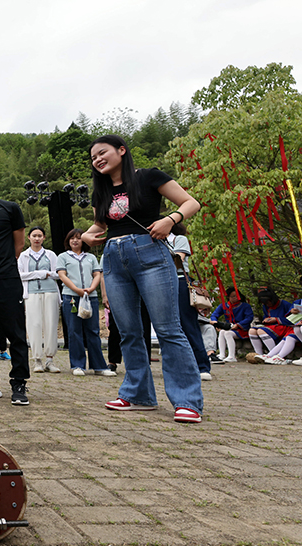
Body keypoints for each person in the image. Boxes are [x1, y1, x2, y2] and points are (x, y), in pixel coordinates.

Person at [82, 134, 204, 424]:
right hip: (113, 258)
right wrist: (87, 235)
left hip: (150, 254)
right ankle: (139, 395)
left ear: (121, 151)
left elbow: (190, 202)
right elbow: (101, 224)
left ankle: (187, 401)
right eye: (93, 157)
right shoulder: (101, 192)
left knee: (168, 329)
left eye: (103, 152)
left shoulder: (148, 177)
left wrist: (170, 220)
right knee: (128, 332)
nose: (98, 159)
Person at [0, 166, 31, 404]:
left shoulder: (9, 208)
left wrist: (2, 266)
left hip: (6, 279)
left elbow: (18, 245)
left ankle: (19, 383)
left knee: (15, 332)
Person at [57, 229, 113, 377]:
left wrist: (91, 289)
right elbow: (62, 275)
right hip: (72, 297)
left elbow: (97, 274)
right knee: (74, 331)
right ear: (68, 241)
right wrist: (77, 290)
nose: (75, 241)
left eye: (78, 238)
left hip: (90, 297)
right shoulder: (63, 257)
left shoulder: (91, 257)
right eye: (72, 238)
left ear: (84, 241)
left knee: (93, 331)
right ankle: (77, 365)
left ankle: (99, 366)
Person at [168, 223, 213, 381]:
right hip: (161, 285)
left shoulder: (178, 239)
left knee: (188, 324)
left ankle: (202, 366)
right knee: (170, 327)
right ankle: (179, 366)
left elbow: (177, 260)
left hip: (180, 282)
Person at [17, 226, 61, 374]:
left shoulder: (50, 255)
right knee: (34, 324)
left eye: (39, 236)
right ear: (28, 237)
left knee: (51, 323)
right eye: (34, 235)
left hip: (51, 292)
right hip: (32, 293)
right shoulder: (23, 256)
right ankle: (37, 360)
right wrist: (39, 274)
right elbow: (20, 275)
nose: (37, 238)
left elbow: (58, 273)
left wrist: (47, 273)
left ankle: (50, 359)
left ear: (44, 238)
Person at [247, 288, 294, 363]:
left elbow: (292, 320)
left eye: (268, 302)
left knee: (260, 331)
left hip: (283, 326)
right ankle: (259, 354)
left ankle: (272, 354)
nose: (268, 304)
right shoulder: (265, 306)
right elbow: (265, 316)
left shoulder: (285, 304)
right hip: (271, 326)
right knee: (252, 331)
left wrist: (276, 319)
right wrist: (266, 320)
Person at [210, 287, 253, 363]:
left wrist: (238, 325)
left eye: (236, 296)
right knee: (222, 331)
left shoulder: (245, 306)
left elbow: (249, 318)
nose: (235, 298)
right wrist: (216, 323)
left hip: (241, 329)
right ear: (228, 297)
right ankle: (222, 354)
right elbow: (214, 315)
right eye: (233, 296)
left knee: (227, 333)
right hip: (229, 327)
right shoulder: (224, 306)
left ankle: (231, 356)